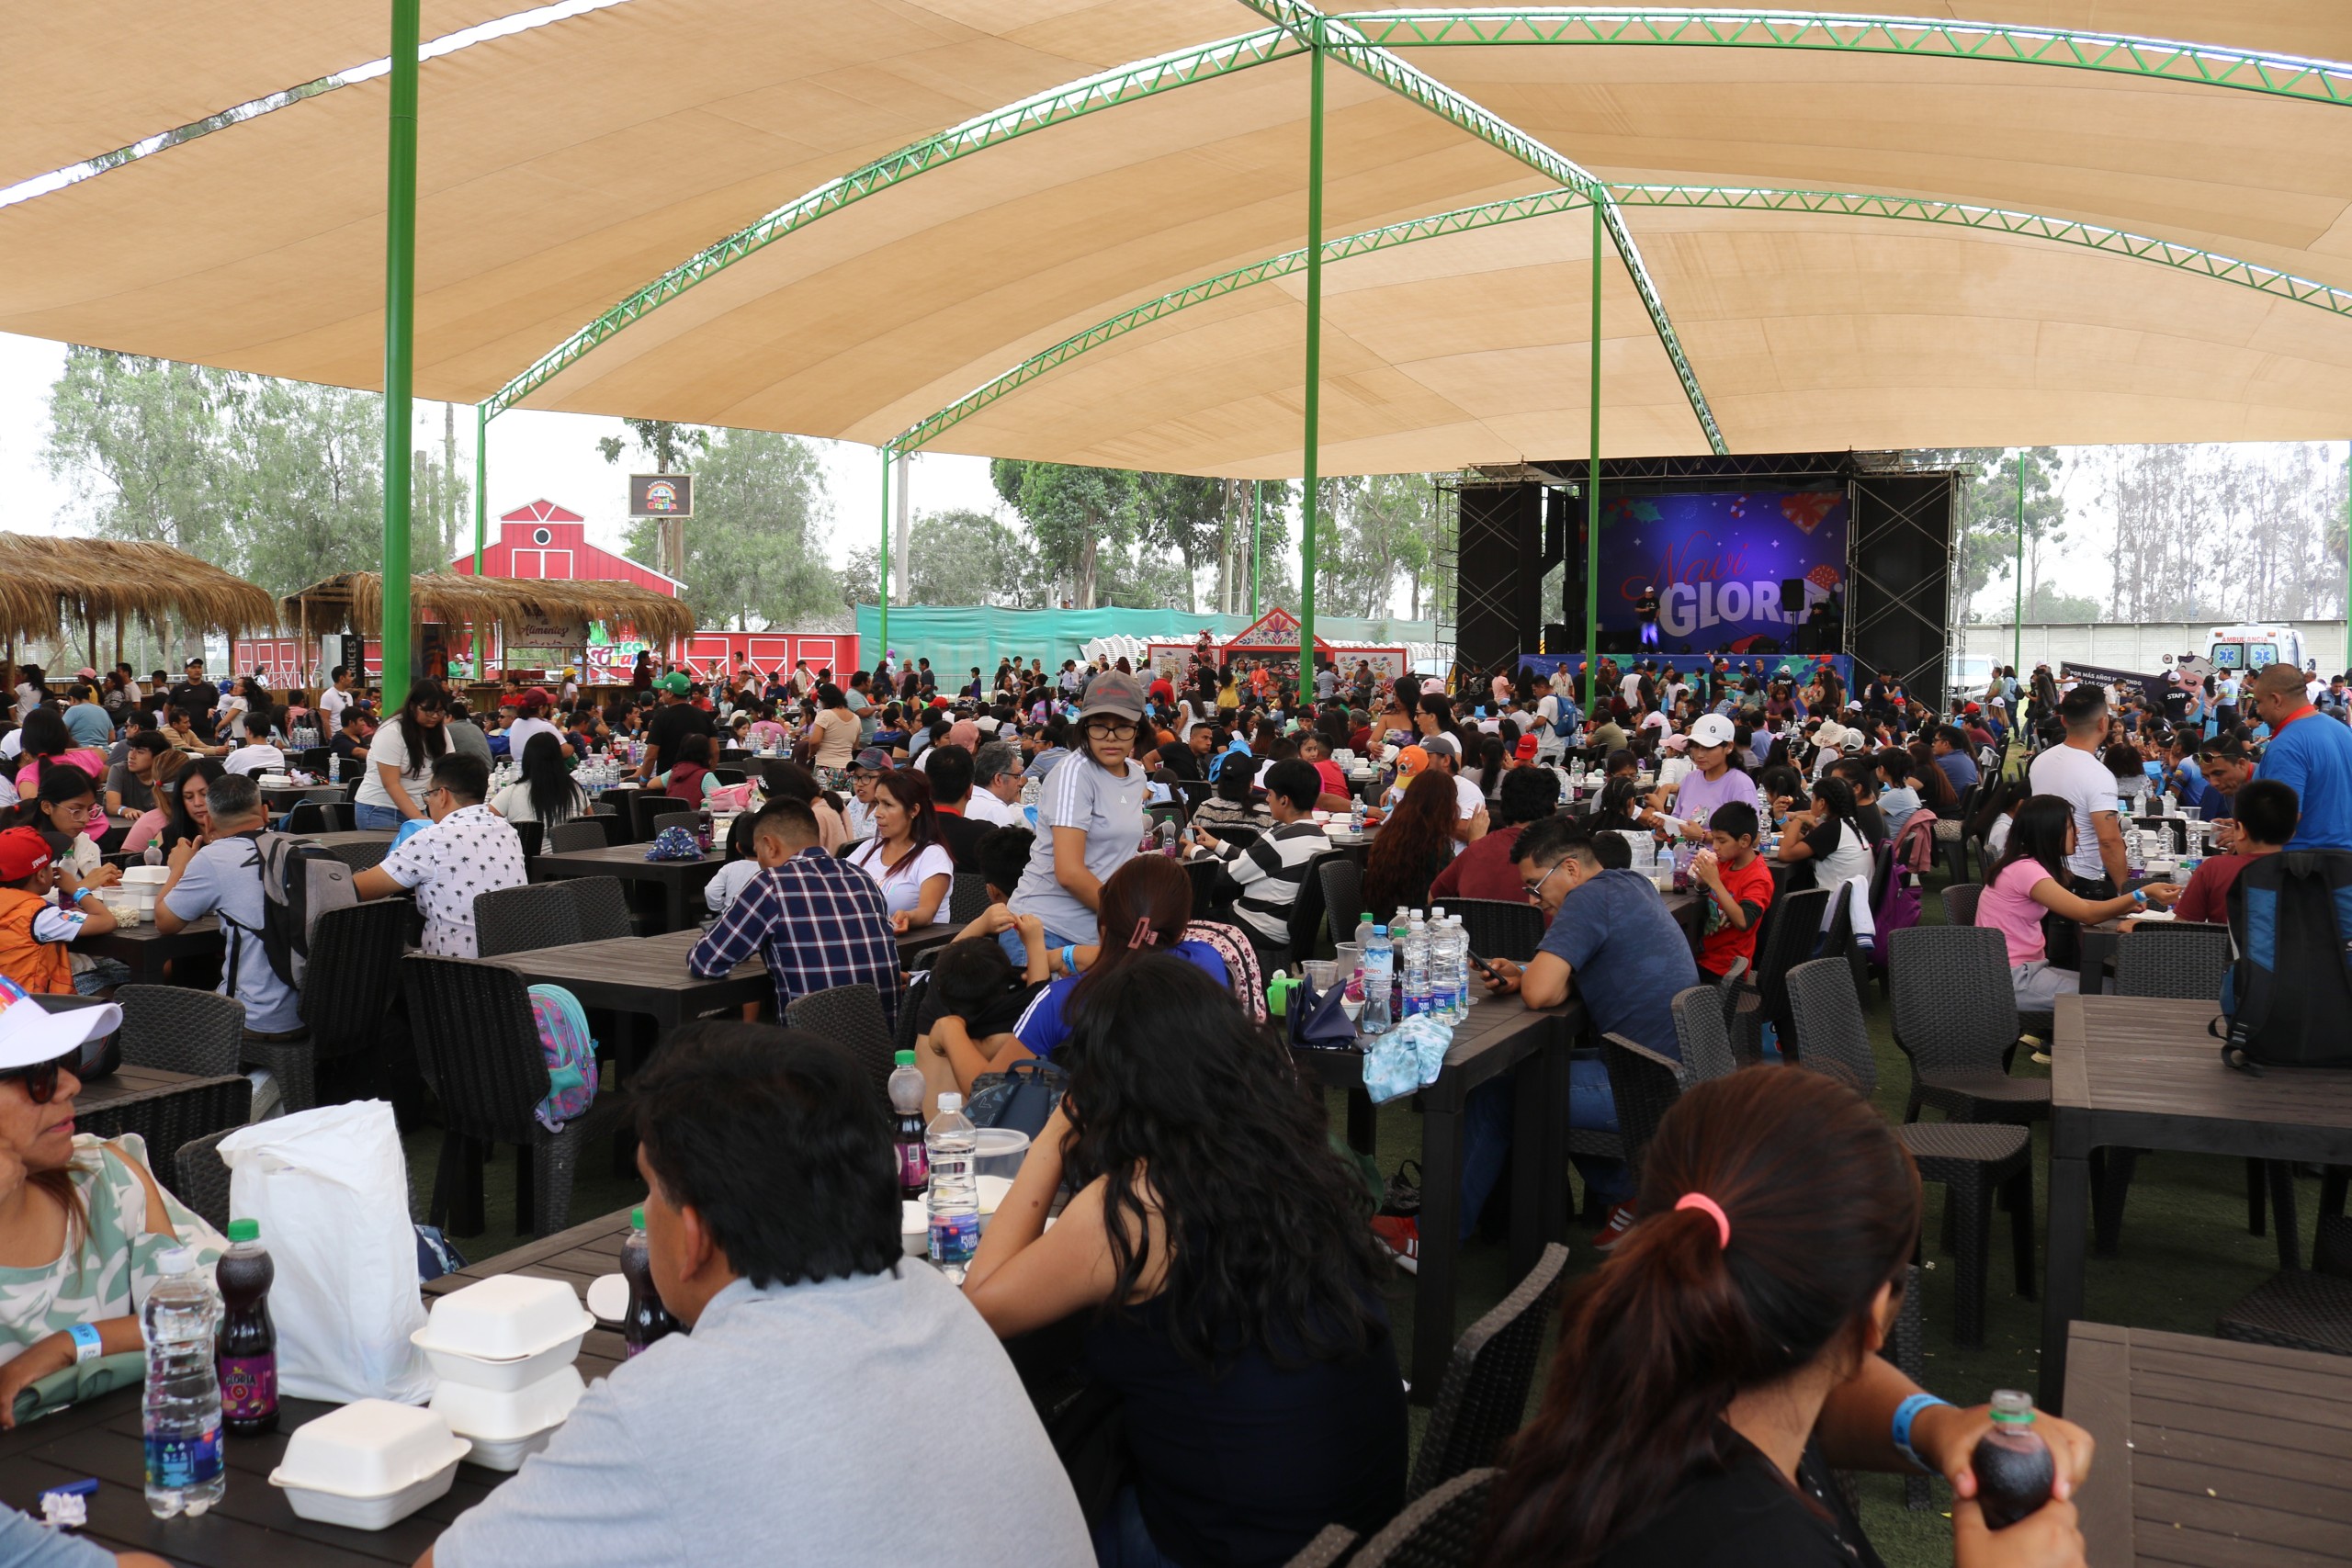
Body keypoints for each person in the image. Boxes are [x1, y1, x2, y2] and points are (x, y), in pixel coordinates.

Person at [420, 1021, 1089, 1568]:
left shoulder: (661, 1406)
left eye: (650, 1187)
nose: (646, 1211)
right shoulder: (933, 1303)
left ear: (696, 1234)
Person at [1484, 1067, 2093, 1568]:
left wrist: (1934, 1425)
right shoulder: (1759, 1533)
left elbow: (1823, 1392)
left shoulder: (1650, 1400)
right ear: (1870, 1321)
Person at [964, 955, 1407, 1566]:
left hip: (1234, 1546)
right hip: (1362, 1531)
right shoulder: (1293, 1154)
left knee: (1015, 1516)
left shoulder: (1134, 1204)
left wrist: (1056, 1134)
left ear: (1107, 1077)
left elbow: (979, 1309)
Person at [1480, 817, 1699, 1247]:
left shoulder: (1585, 901)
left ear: (1570, 870)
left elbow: (1542, 994)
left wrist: (1530, 978)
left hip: (1647, 1087)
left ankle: (1434, 1237)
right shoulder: (1630, 884)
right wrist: (1525, 971)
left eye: (1534, 886)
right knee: (1538, 1072)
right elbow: (1561, 978)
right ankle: (1629, 1198)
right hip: (1676, 1072)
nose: (1532, 900)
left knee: (1497, 1094)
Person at [689, 798, 901, 1024]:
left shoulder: (770, 884)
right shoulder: (861, 876)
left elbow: (706, 961)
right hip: (884, 1044)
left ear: (770, 845)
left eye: (758, 852)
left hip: (808, 1049)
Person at [1976, 795, 2179, 1010]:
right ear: (2050, 831)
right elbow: (2087, 913)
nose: (2078, 831)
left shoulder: (2022, 864)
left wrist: (2123, 903)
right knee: (2120, 994)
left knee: (2116, 986)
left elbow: (2079, 905)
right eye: (2071, 826)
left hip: (2021, 971)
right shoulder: (2026, 871)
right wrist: (2142, 893)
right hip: (2013, 979)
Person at [1004, 671, 1150, 956]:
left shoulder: (1135, 775)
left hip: (1097, 935)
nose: (1111, 738)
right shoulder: (1075, 773)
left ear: (1138, 729)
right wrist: (1130, 921)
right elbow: (1070, 873)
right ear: (1084, 728)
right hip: (1044, 933)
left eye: (1123, 727)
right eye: (1099, 726)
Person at [153, 773, 310, 1037]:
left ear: (208, 821)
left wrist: (180, 867)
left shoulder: (213, 858)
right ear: (264, 812)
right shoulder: (300, 846)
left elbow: (164, 922)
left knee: (159, 1016)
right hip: (321, 1010)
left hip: (256, 1017)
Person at [350, 754, 528, 959]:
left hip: (447, 970)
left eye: (428, 794)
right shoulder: (508, 831)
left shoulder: (432, 840)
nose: (428, 802)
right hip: (509, 963)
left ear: (442, 795)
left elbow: (359, 890)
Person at [1195, 759, 1328, 954]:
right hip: (1287, 927)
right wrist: (1218, 845)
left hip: (1257, 926)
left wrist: (1195, 851)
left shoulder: (1278, 839)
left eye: (1270, 794)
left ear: (1284, 800)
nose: (1266, 800)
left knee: (1187, 922)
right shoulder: (1318, 836)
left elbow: (1225, 876)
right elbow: (1254, 861)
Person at [2029, 685, 2128, 897]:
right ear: (2104, 723)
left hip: (2040, 873)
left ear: (2063, 721)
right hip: (2078, 880)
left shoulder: (2040, 761)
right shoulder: (2098, 774)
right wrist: (2125, 892)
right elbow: (2109, 840)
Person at [2245, 660, 2352, 851]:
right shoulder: (2343, 731)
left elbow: (2283, 820)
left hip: (2301, 868)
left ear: (2276, 700)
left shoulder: (2287, 745)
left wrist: (2245, 833)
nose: (2258, 711)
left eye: (2259, 702)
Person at [0, 828, 117, 997]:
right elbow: (107, 921)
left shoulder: (39, 915)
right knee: (119, 984)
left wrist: (64, 916)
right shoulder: (40, 916)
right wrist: (77, 889)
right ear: (41, 875)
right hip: (35, 1005)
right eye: (49, 865)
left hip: (7, 1002)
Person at [1432, 765, 1561, 904]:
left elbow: (1434, 899)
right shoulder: (1563, 854)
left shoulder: (1475, 850)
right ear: (1553, 808)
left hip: (1475, 924)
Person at [2173, 777, 2294, 924]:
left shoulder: (2214, 869)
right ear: (2292, 833)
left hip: (2223, 947)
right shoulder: (2304, 873)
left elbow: (2181, 929)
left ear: (2241, 830)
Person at [844, 769, 955, 930]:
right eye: (877, 803)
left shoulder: (932, 855)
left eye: (888, 805)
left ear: (914, 810)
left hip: (910, 947)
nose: (878, 813)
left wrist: (908, 916)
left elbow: (928, 912)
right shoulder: (869, 848)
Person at [1690, 801, 1775, 982]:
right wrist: (1702, 881)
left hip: (1727, 969)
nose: (1716, 846)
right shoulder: (1727, 860)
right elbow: (1706, 889)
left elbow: (1744, 921)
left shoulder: (1758, 878)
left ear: (1744, 841)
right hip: (1704, 955)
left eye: (1721, 840)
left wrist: (1715, 882)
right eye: (1713, 839)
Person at [1777, 774, 1875, 927]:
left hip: (1831, 910)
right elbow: (1803, 843)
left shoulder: (1831, 830)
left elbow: (1785, 854)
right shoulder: (1847, 824)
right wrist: (1781, 819)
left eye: (1813, 798)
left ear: (1822, 803)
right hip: (1851, 906)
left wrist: (1798, 819)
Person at [1646, 712, 1759, 840]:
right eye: (1695, 747)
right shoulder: (1690, 779)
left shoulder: (1740, 784)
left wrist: (1703, 836)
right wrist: (1663, 826)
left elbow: (1753, 838)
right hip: (1685, 858)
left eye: (1708, 748)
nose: (1700, 754)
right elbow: (1678, 826)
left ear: (1728, 747)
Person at [1362, 769, 1459, 918]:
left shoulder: (1389, 833)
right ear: (1444, 806)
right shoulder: (1433, 844)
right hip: (1417, 925)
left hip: (1381, 920)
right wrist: (1476, 842)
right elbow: (1456, 886)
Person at [355, 682, 450, 829]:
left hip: (417, 807)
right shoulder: (391, 731)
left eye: (440, 711)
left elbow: (449, 770)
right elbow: (391, 783)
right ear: (412, 706)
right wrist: (419, 819)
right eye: (429, 711)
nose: (435, 716)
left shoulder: (440, 732)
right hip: (379, 810)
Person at [491, 732, 587, 828]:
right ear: (559, 758)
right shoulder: (575, 789)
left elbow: (487, 821)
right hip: (572, 842)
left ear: (527, 760)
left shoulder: (512, 792)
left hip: (529, 842)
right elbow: (591, 821)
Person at [636, 672, 714, 786]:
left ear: (670, 693)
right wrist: (708, 776)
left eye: (663, 689)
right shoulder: (704, 716)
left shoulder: (661, 718)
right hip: (698, 784)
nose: (661, 692)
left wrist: (643, 782)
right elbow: (715, 751)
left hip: (667, 785)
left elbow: (651, 755)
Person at [967, 741, 1026, 827]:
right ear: (998, 779)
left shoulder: (964, 800)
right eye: (1016, 776)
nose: (1020, 783)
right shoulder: (997, 811)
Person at [806, 682, 860, 770]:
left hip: (826, 767)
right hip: (847, 768)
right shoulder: (856, 719)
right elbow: (855, 746)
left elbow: (814, 741)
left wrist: (810, 754)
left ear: (825, 701)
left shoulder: (825, 715)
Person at [166, 659, 219, 744]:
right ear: (186, 670)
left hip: (206, 733)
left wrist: (217, 729)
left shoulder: (210, 688)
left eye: (199, 667)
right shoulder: (178, 688)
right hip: (183, 733)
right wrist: (169, 725)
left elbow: (217, 709)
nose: (197, 670)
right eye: (193, 667)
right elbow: (167, 707)